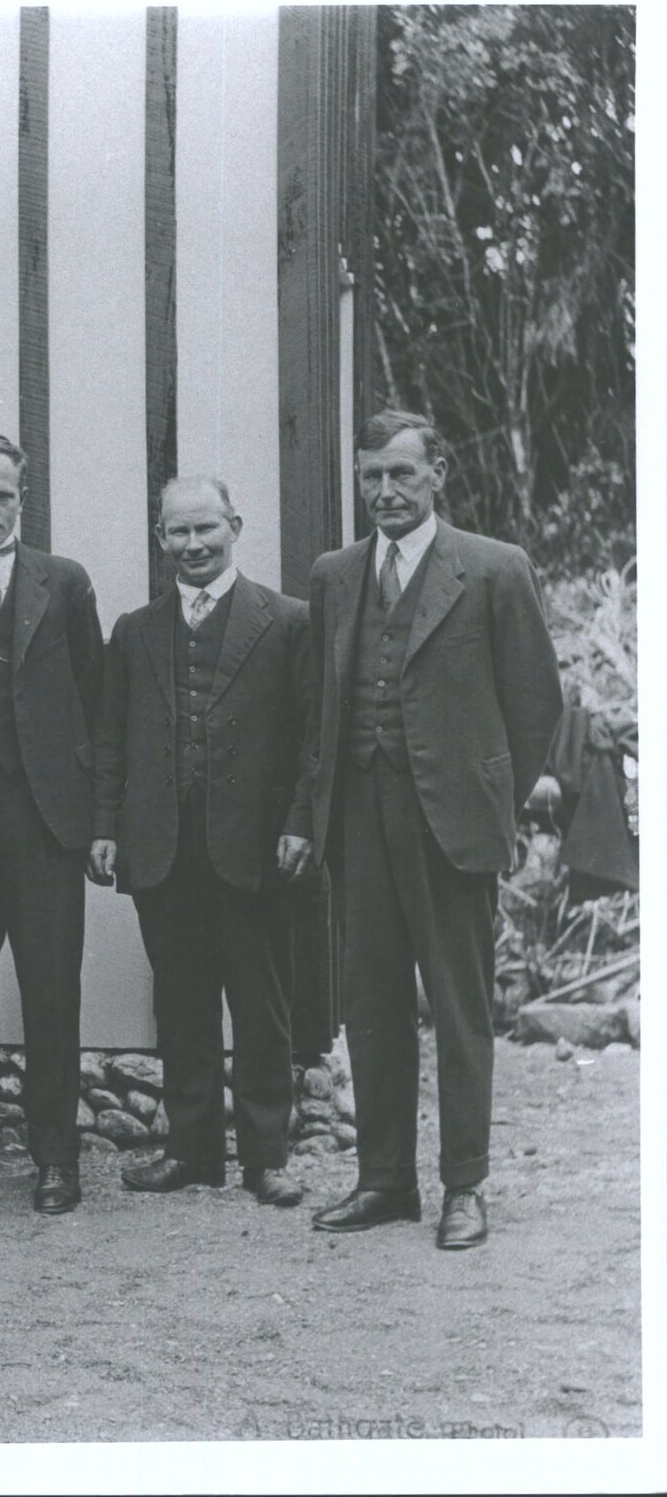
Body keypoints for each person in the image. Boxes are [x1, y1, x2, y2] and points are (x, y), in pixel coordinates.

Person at [306, 410, 562, 1250]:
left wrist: (488, 797)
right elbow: (322, 705)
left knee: (458, 1008)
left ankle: (464, 1186)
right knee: (370, 1003)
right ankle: (383, 1180)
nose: (384, 491)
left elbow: (534, 706)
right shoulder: (336, 574)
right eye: (371, 475)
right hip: (359, 819)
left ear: (437, 473)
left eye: (401, 475)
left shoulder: (492, 569)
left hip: (450, 824)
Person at [88, 477, 316, 1208]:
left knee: (260, 1006)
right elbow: (110, 740)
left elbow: (313, 742)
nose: (191, 546)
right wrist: (104, 827)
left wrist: (298, 824)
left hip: (254, 852)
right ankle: (189, 1151)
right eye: (175, 533)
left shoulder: (285, 623)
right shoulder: (134, 631)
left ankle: (264, 1157)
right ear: (159, 539)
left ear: (234, 527)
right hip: (163, 851)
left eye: (204, 530)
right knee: (180, 1005)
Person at [0, 434, 102, 1215]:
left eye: (4, 495)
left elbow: (95, 704)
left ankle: (55, 1158)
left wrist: (98, 818)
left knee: (49, 992)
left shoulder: (61, 582)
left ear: (21, 499)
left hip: (45, 820)